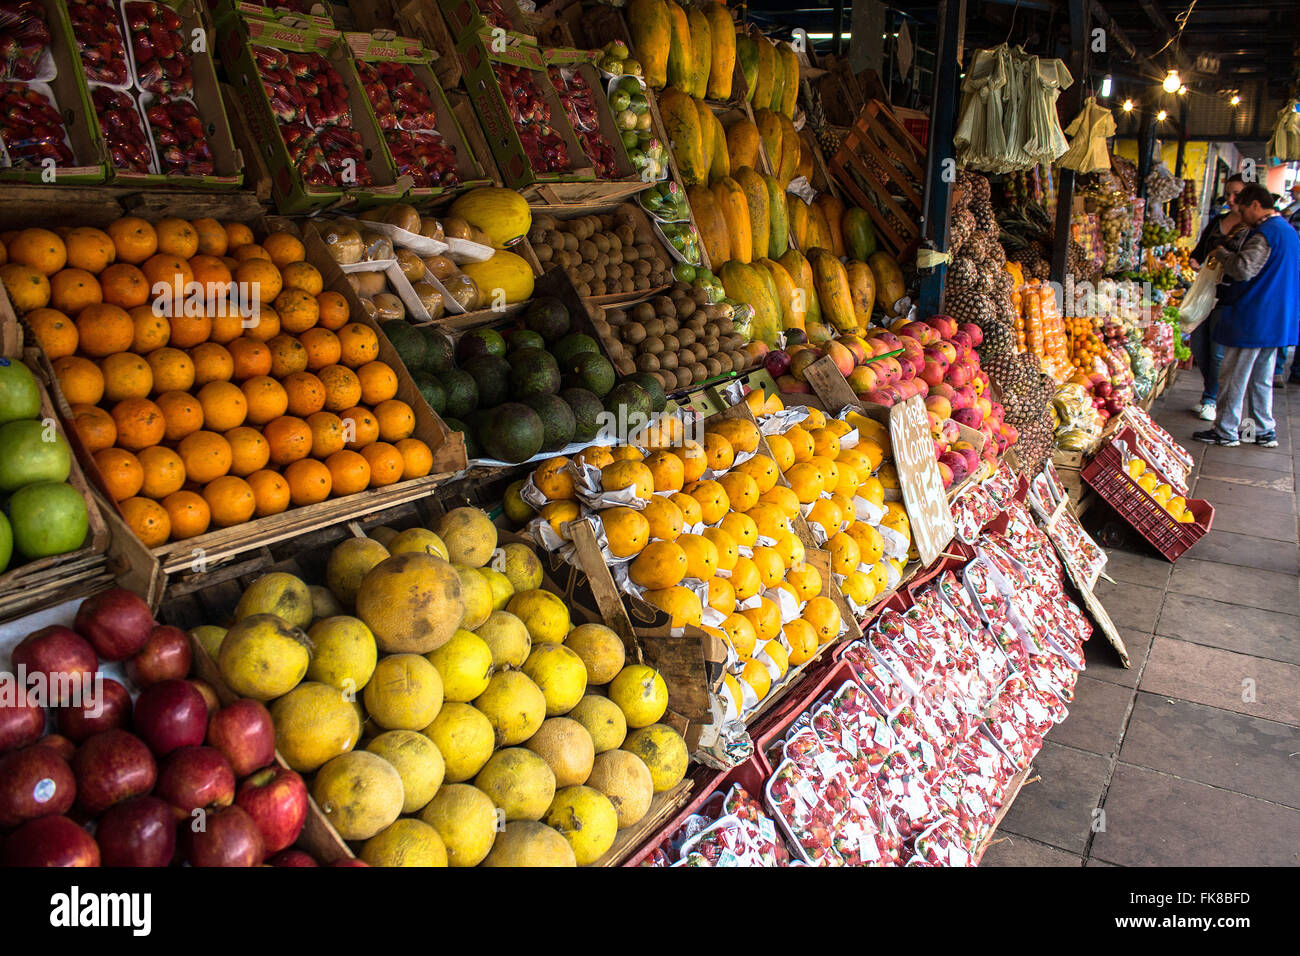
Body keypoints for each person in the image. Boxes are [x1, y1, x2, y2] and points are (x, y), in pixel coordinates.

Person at [1194, 183, 1300, 448]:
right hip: (1277, 318)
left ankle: (1226, 430)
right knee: (1261, 377)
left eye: (1242, 210)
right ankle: (1264, 430)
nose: (1241, 217)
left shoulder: (1266, 233)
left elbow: (1244, 269)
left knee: (1234, 376)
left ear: (1255, 205)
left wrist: (1221, 253)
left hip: (1254, 316)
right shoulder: (1287, 231)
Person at [1187, 174, 1246, 420]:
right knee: (1199, 346)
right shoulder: (1218, 221)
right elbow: (1198, 252)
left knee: (1217, 352)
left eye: (1236, 194)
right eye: (1228, 193)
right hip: (1205, 294)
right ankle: (1209, 393)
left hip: (1228, 297)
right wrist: (1194, 262)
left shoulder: (1249, 230)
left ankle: (1212, 399)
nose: (1230, 199)